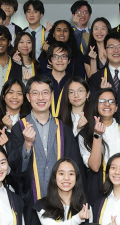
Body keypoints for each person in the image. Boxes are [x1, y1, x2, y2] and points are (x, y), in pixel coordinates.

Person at [8, 75, 84, 205]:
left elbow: (75, 166)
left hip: (63, 202)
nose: (41, 98)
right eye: (35, 93)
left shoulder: (64, 129)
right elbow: (13, 169)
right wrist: (27, 146)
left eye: (45, 93)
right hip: (30, 203)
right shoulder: (18, 129)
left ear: (52, 95)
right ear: (28, 97)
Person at [79, 89, 120, 204]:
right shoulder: (85, 134)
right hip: (97, 191)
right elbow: (94, 166)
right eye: (102, 101)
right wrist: (97, 135)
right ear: (96, 105)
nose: (107, 104)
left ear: (116, 107)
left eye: (111, 101)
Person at [44, 42, 73, 117]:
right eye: (56, 56)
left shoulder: (73, 82)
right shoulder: (42, 81)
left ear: (69, 60)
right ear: (50, 61)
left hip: (68, 123)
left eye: (64, 56)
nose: (60, 60)